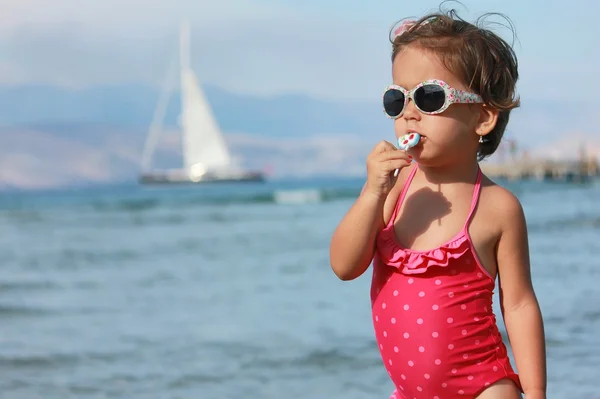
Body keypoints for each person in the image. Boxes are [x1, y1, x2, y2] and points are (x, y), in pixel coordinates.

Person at [329, 5, 546, 399]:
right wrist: (371, 192)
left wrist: (535, 393)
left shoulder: (498, 208)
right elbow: (344, 266)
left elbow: (518, 306)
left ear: (482, 117)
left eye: (429, 98)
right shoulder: (395, 190)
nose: (409, 113)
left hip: (484, 386)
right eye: (398, 99)